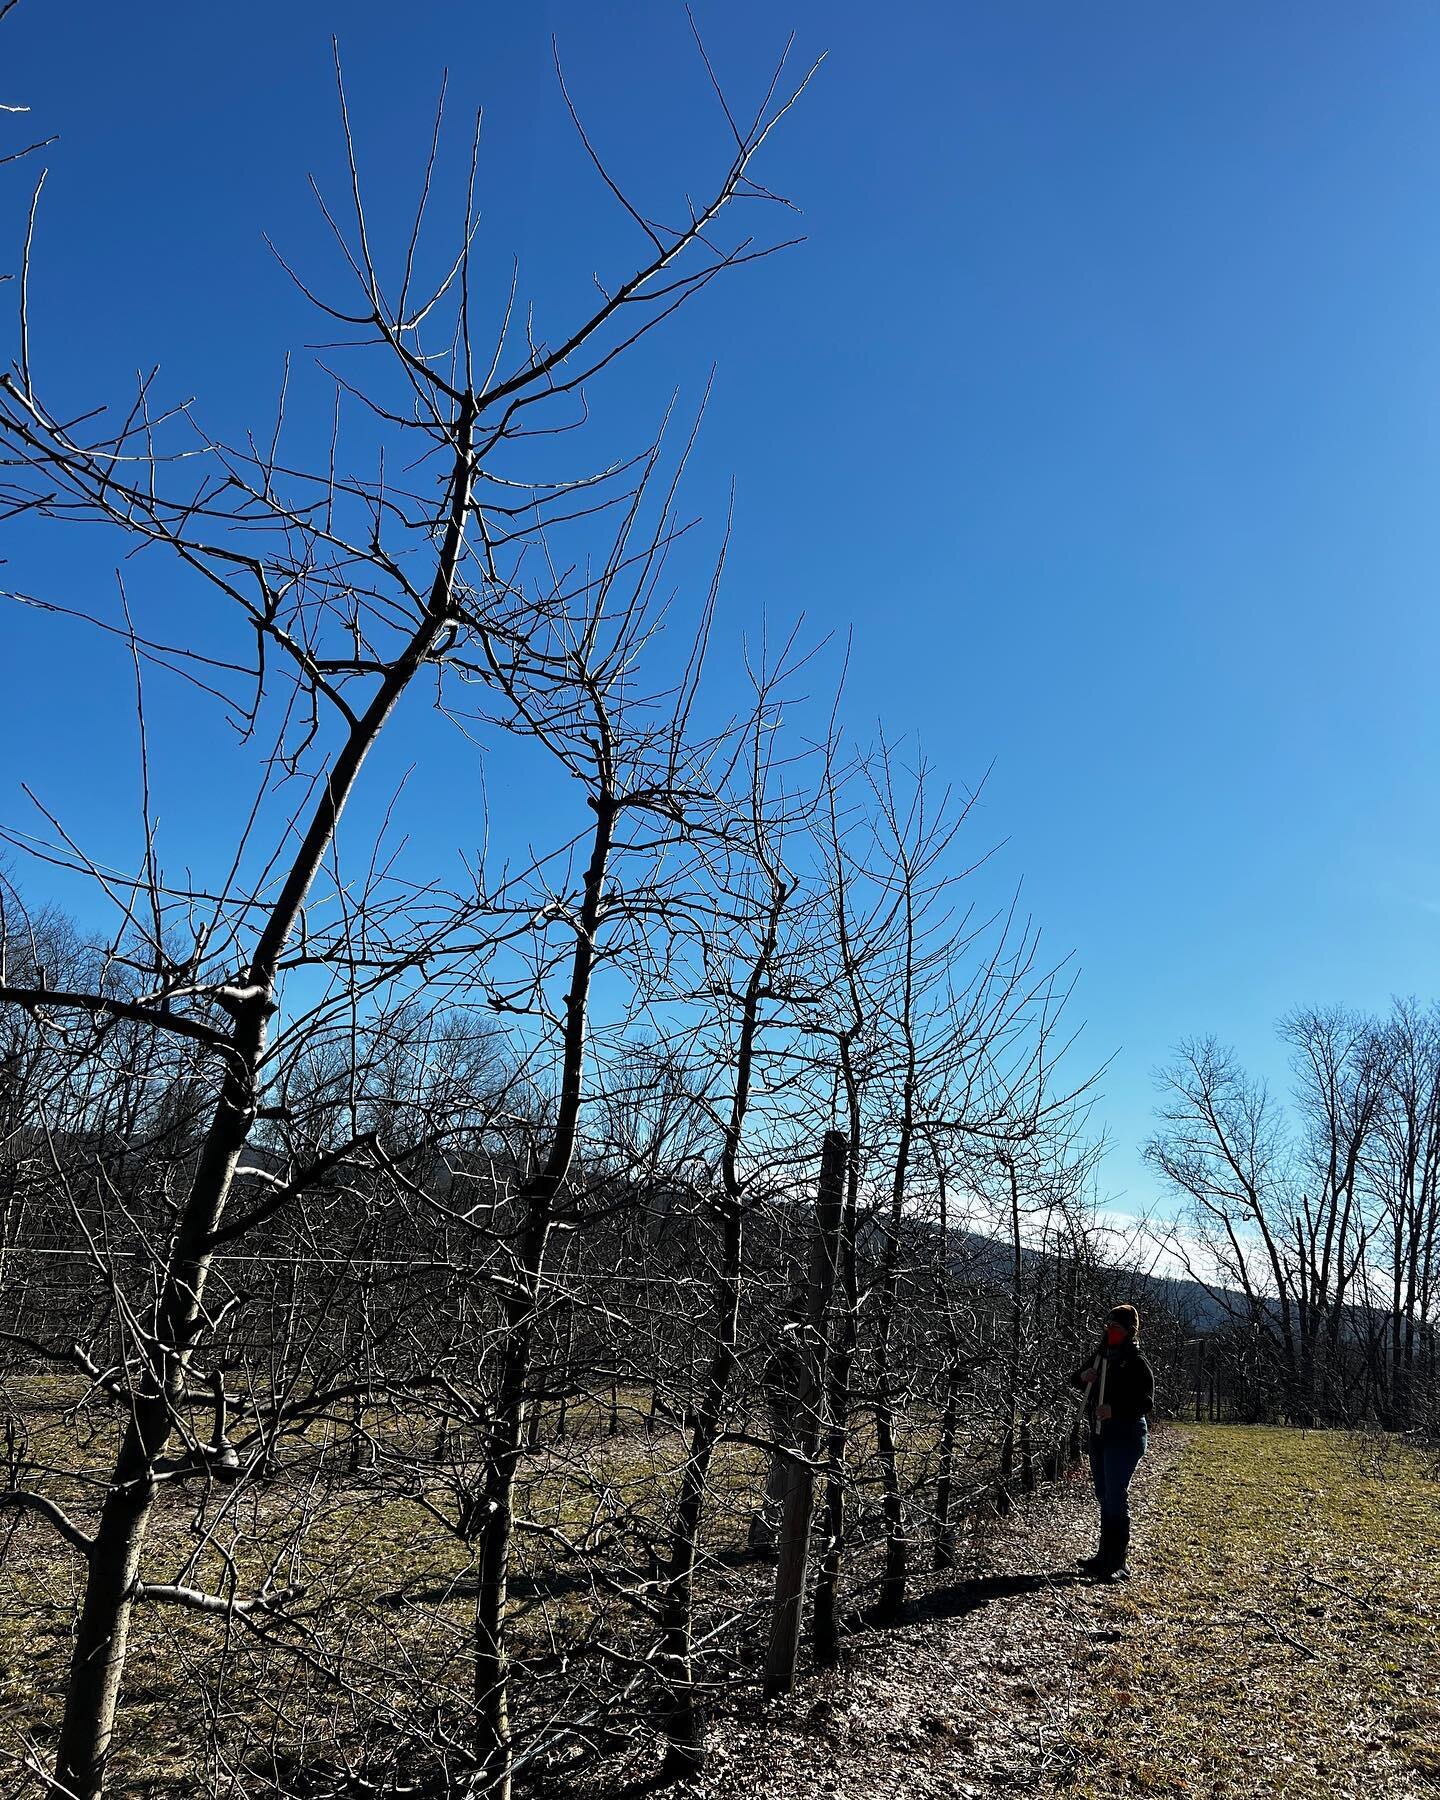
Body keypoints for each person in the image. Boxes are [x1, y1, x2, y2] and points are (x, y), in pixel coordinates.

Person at [1069, 1303, 1154, 1581]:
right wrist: (1083, 1377)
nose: (1109, 1331)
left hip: (1126, 1436)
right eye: (1107, 1326)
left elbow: (1144, 1402)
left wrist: (1114, 1410)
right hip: (1099, 1435)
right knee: (1105, 1496)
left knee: (1116, 1497)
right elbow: (1076, 1379)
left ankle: (1118, 1562)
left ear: (1129, 1331)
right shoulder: (1101, 1354)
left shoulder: (1137, 1361)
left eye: (1115, 1328)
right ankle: (1103, 1557)